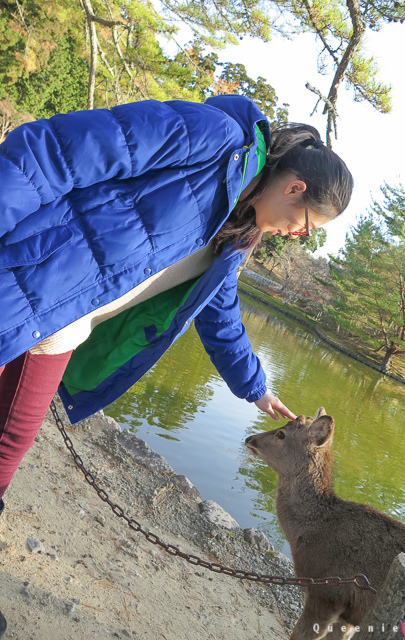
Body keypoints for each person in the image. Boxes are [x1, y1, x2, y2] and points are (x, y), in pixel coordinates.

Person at [0, 94, 353, 635]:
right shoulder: (211, 135)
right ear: (295, 187)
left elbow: (218, 309)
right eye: (308, 224)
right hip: (22, 278)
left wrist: (255, 386)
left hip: (59, 328)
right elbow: (57, 151)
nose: (302, 236)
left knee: (9, 441)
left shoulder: (239, 229)